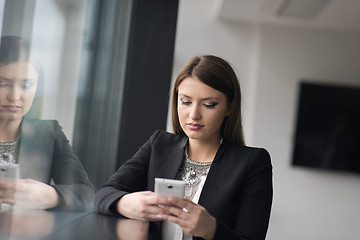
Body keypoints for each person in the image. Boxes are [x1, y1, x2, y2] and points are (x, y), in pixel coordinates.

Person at [95, 55, 273, 239]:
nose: (194, 114)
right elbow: (104, 194)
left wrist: (211, 229)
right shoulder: (159, 144)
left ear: (229, 107)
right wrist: (126, 203)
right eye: (185, 102)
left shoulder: (253, 163)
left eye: (209, 104)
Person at [0, 36, 94, 210]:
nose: (14, 96)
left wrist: (49, 195)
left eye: (26, 85)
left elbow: (85, 193)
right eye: (3, 83)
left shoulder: (48, 134)